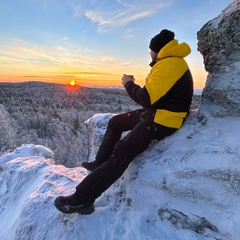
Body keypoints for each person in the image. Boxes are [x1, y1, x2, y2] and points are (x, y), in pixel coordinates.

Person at [54, 29, 193, 215]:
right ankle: (100, 163)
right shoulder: (169, 62)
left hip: (163, 120)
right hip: (156, 113)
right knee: (115, 122)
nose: (149, 54)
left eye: (150, 50)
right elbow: (156, 96)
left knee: (122, 151)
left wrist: (127, 83)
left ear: (158, 49)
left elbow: (146, 97)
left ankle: (81, 200)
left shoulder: (171, 64)